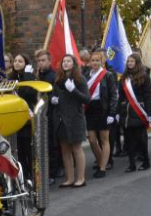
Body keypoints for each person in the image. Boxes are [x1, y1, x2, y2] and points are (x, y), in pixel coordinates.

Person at [51, 54, 89, 187]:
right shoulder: (58, 80)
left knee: (76, 148)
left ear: (74, 64)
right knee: (65, 149)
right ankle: (70, 178)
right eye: (64, 61)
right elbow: (54, 96)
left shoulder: (80, 79)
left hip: (75, 119)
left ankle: (81, 178)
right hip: (61, 119)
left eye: (68, 61)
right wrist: (53, 100)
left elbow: (86, 99)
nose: (65, 63)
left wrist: (73, 90)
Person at [118, 53, 151, 172]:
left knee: (141, 138)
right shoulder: (124, 78)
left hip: (139, 111)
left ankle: (146, 162)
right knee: (129, 140)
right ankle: (132, 164)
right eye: (128, 62)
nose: (129, 64)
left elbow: (148, 95)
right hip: (127, 113)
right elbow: (121, 96)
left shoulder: (144, 76)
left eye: (132, 61)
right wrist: (118, 111)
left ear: (137, 63)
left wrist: (150, 113)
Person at [84, 50, 117, 178]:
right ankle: (102, 160)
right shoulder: (86, 75)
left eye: (97, 60)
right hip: (90, 109)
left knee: (104, 139)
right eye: (93, 60)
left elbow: (113, 95)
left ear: (102, 61)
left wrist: (112, 113)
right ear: (90, 62)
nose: (95, 63)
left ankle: (102, 167)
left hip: (103, 109)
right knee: (92, 140)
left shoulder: (107, 75)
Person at [8, 53, 37, 179]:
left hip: (27, 118)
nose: (17, 63)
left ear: (26, 64)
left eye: (20, 61)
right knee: (18, 149)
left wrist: (27, 76)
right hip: (15, 118)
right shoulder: (10, 78)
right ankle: (22, 175)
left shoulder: (30, 77)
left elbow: (28, 93)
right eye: (15, 60)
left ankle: (32, 175)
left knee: (27, 149)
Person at [35, 49, 62, 183]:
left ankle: (53, 172)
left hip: (50, 114)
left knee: (51, 144)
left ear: (49, 61)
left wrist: (52, 98)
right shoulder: (36, 75)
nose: (41, 63)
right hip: (38, 113)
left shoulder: (53, 76)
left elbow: (57, 93)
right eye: (39, 61)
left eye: (43, 60)